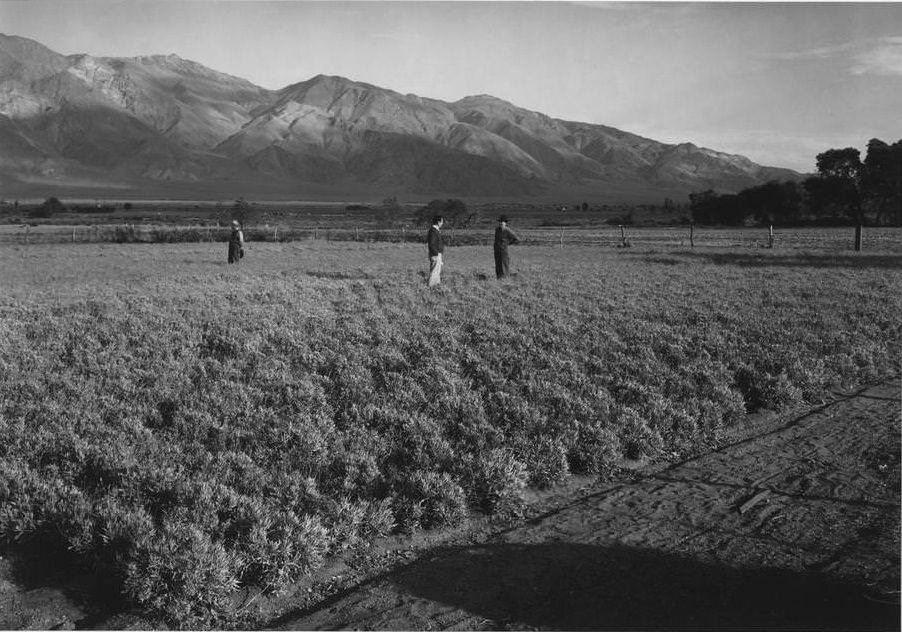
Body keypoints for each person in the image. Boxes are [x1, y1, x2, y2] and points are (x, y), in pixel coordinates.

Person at [426, 215, 444, 286]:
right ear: (438, 222)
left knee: (437, 271)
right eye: (442, 221)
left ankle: (436, 285)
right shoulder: (433, 231)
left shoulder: (435, 230)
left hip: (436, 253)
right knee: (434, 271)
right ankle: (430, 286)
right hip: (435, 254)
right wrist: (436, 254)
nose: (442, 223)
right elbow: (431, 244)